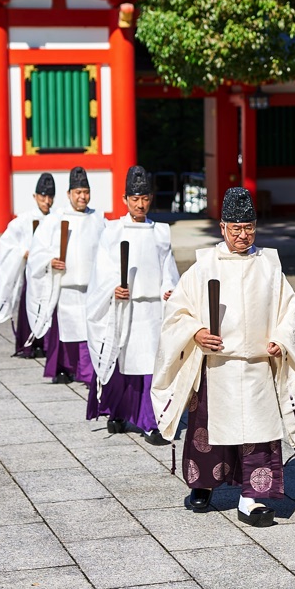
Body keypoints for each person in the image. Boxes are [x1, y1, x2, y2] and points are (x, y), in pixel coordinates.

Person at [151, 186, 295, 527]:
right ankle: (204, 484)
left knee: (258, 435)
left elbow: (288, 311)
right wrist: (195, 332)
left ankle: (252, 498)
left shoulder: (269, 265)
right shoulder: (204, 265)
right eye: (235, 228)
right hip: (217, 363)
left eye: (249, 227)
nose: (243, 234)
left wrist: (281, 339)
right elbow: (177, 310)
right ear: (222, 227)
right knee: (209, 432)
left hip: (256, 366)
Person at [86, 165, 179, 441]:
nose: (140, 204)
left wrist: (169, 289)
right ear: (125, 199)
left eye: (145, 198)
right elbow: (101, 271)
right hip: (124, 309)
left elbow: (168, 270)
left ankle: (151, 422)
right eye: (135, 198)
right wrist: (114, 289)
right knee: (121, 364)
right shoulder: (112, 231)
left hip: (151, 311)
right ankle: (119, 412)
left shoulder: (161, 232)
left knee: (150, 367)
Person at [28, 166, 105, 385]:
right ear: (69, 194)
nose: (83, 196)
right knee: (66, 331)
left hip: (91, 287)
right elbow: (38, 250)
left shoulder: (98, 219)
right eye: (78, 192)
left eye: (86, 192)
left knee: (89, 332)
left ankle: (89, 373)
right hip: (65, 285)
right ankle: (65, 368)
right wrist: (50, 261)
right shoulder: (56, 220)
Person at [0, 172, 56, 358]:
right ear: (35, 196)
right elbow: (7, 243)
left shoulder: (55, 220)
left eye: (50, 197)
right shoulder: (22, 221)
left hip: (49, 271)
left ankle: (46, 343)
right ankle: (28, 344)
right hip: (31, 272)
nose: (46, 201)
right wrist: (23, 252)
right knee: (28, 304)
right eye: (43, 196)